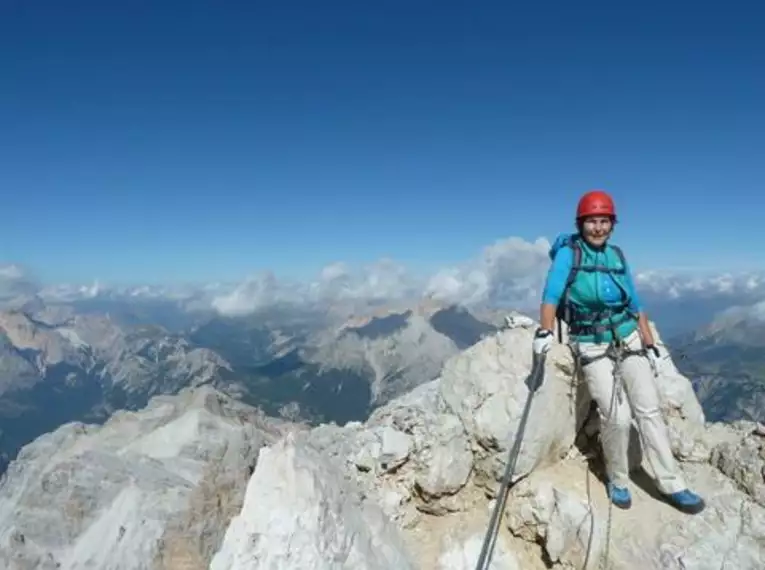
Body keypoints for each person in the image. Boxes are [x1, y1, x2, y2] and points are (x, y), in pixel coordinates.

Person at [532, 189, 705, 514]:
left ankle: (673, 483)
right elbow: (551, 294)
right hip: (591, 342)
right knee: (617, 416)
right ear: (581, 224)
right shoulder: (570, 255)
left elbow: (634, 301)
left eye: (604, 221)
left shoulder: (617, 256)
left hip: (628, 337)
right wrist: (543, 331)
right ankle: (619, 479)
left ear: (612, 224)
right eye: (591, 222)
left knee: (650, 410)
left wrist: (649, 340)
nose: (598, 228)